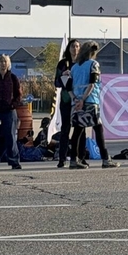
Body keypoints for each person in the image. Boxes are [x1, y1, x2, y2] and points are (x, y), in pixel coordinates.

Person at [70, 41, 121, 169]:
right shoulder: (94, 65)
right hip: (90, 101)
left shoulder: (74, 67)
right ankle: (105, 159)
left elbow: (69, 86)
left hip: (76, 102)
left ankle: (73, 160)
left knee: (77, 131)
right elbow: (92, 84)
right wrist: (83, 99)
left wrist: (76, 100)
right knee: (98, 130)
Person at [53, 38, 80, 168]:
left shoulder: (82, 63)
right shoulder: (63, 63)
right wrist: (62, 75)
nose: (75, 49)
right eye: (73, 46)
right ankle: (62, 158)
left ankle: (80, 157)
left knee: (80, 129)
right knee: (65, 129)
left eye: (77, 46)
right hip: (66, 99)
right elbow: (56, 83)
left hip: (79, 100)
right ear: (68, 48)